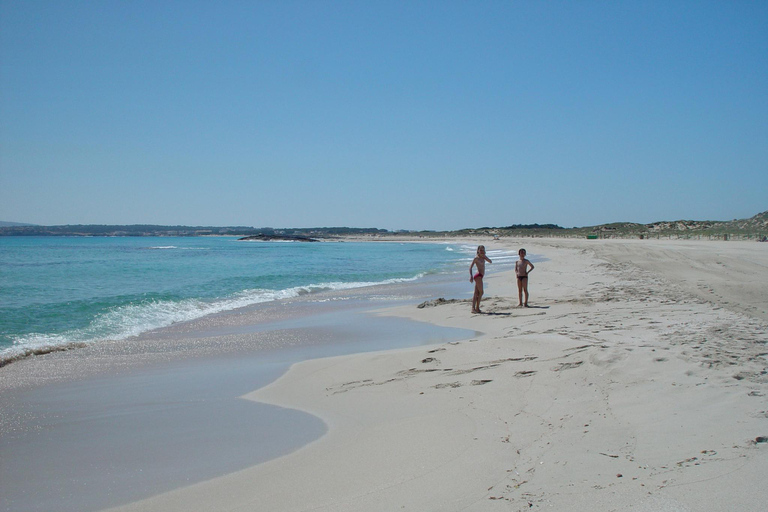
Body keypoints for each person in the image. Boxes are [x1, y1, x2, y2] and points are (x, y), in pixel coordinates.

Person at [469, 245, 492, 313]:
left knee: (476, 293)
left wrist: (485, 256)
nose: (482, 251)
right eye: (480, 250)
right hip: (478, 276)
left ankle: (473, 308)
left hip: (480, 276)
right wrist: (471, 276)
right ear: (478, 250)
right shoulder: (476, 258)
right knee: (481, 292)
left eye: (483, 250)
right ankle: (477, 308)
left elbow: (490, 261)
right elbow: (470, 267)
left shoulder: (483, 257)